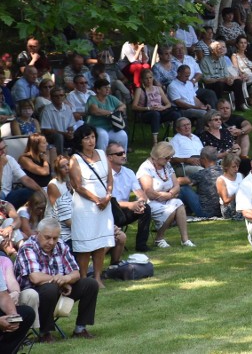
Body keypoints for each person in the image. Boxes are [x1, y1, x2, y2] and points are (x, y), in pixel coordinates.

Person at [15, 218, 99, 343]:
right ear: (37, 233)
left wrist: (67, 278)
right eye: (47, 237)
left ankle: (80, 329)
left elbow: (76, 272)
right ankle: (45, 333)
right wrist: (61, 281)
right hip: (34, 293)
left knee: (90, 284)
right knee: (50, 288)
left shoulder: (61, 245)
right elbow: (35, 278)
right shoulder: (28, 247)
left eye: (55, 238)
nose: (51, 242)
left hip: (59, 288)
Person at [68, 125, 114, 289]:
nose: (91, 141)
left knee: (101, 242)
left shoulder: (102, 153)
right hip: (85, 206)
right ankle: (82, 279)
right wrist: (97, 199)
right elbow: (77, 186)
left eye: (93, 137)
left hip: (104, 204)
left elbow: (109, 178)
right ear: (80, 141)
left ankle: (97, 277)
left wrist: (107, 196)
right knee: (85, 244)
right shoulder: (75, 159)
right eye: (87, 138)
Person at [136, 142, 194, 248]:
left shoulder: (167, 165)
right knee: (171, 209)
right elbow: (149, 192)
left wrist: (170, 194)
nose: (169, 160)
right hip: (150, 201)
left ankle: (185, 239)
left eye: (170, 158)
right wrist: (165, 195)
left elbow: (176, 185)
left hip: (167, 197)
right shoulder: (145, 168)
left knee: (179, 203)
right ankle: (159, 238)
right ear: (158, 156)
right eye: (167, 158)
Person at [107, 142, 151, 252]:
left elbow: (140, 192)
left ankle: (141, 245)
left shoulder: (129, 172)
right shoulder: (104, 175)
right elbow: (110, 200)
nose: (124, 155)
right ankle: (111, 245)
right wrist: (130, 205)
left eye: (124, 152)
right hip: (109, 211)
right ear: (110, 157)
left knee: (145, 209)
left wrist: (140, 201)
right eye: (119, 153)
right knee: (114, 208)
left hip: (124, 210)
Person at [131, 69, 180, 146]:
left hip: (160, 111)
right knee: (155, 114)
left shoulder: (158, 88)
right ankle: (155, 142)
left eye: (150, 78)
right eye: (146, 78)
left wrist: (163, 107)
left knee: (176, 114)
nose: (149, 80)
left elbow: (168, 104)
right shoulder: (139, 90)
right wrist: (149, 108)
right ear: (142, 80)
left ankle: (177, 138)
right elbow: (134, 106)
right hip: (146, 113)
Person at [85, 78, 128, 151]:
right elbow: (95, 111)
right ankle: (103, 160)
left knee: (122, 135)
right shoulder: (92, 99)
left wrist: (119, 109)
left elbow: (123, 105)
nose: (108, 89)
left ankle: (122, 159)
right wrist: (112, 113)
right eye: (105, 87)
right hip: (96, 128)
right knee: (103, 135)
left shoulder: (111, 98)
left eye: (109, 87)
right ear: (98, 90)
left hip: (111, 128)